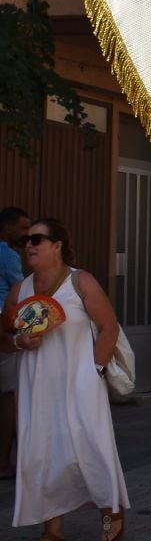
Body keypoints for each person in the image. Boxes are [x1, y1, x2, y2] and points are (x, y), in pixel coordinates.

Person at [2, 217, 129, 541]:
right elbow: (3, 336)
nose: (29, 244)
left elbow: (108, 327)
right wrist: (18, 342)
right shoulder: (20, 290)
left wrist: (95, 370)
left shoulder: (80, 282)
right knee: (42, 450)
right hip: (36, 384)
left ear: (57, 246)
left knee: (90, 444)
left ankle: (111, 513)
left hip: (81, 379)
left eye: (37, 239)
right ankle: (53, 531)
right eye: (26, 240)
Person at [0, 205, 29, 480]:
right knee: (9, 394)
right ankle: (4, 462)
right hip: (4, 329)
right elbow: (22, 295)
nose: (26, 234)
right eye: (22, 228)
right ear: (7, 227)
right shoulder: (8, 256)